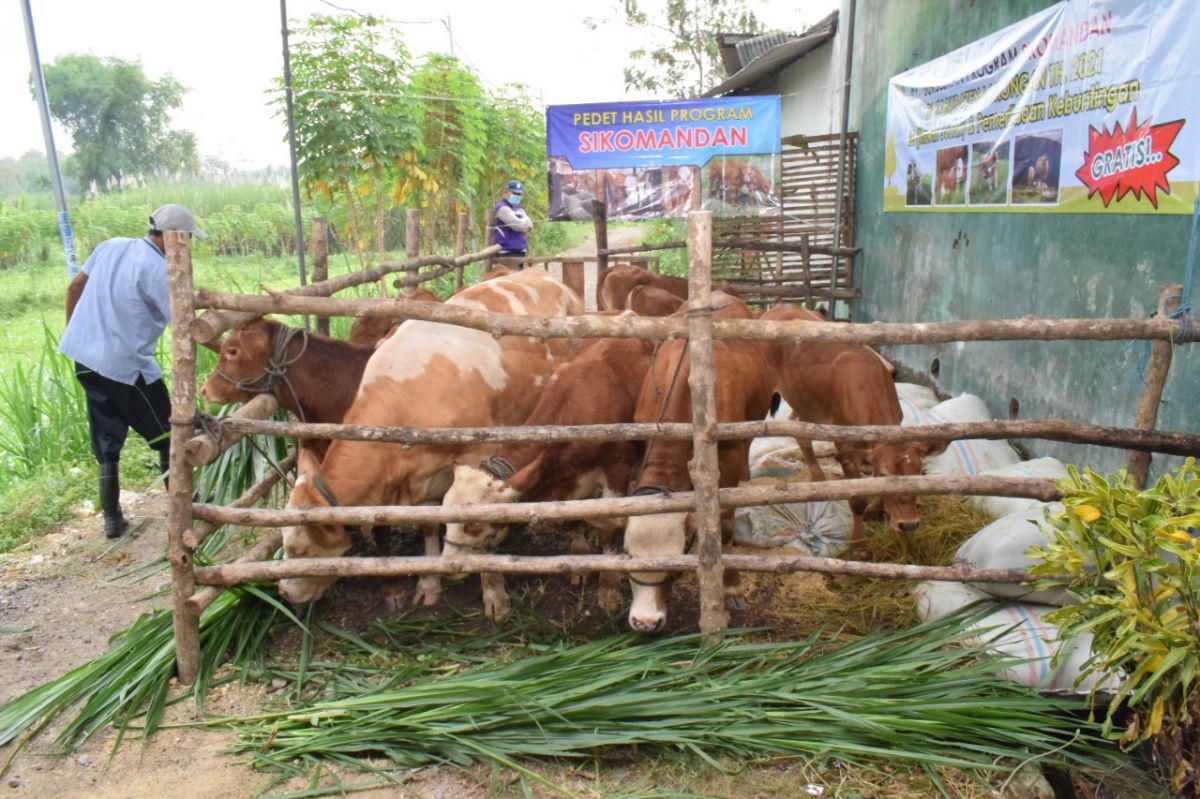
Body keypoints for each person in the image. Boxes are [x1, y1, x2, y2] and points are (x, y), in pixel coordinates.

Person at [59, 203, 207, 538]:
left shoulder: (110, 246)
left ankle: (112, 518)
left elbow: (74, 287)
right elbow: (185, 326)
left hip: (85, 358)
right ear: (174, 237)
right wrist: (226, 350)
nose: (187, 247)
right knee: (170, 431)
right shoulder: (160, 270)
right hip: (125, 365)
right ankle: (184, 503)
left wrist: (76, 332)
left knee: (106, 436)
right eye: (186, 239)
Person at [492, 179, 533, 265]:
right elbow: (516, 225)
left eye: (519, 194)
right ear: (506, 192)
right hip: (506, 253)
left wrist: (524, 225)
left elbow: (530, 225)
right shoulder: (502, 208)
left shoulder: (518, 208)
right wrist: (523, 224)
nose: (517, 196)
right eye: (515, 193)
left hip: (520, 252)